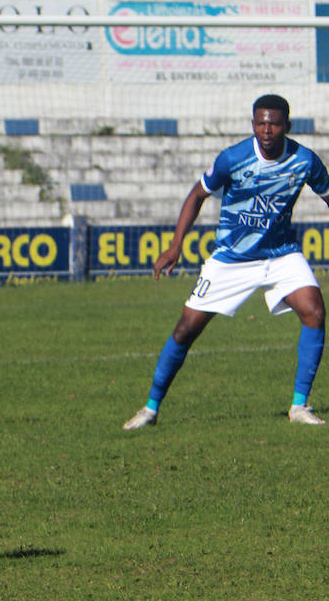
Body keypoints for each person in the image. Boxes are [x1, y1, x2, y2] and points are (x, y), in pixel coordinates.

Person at [123, 94, 329, 430]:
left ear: (286, 126)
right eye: (260, 122)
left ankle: (299, 406)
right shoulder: (233, 158)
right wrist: (176, 246)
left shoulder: (304, 161)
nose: (267, 129)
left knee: (314, 311)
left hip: (281, 254)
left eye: (274, 123)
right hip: (232, 258)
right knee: (186, 329)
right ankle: (150, 409)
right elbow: (197, 194)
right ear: (252, 125)